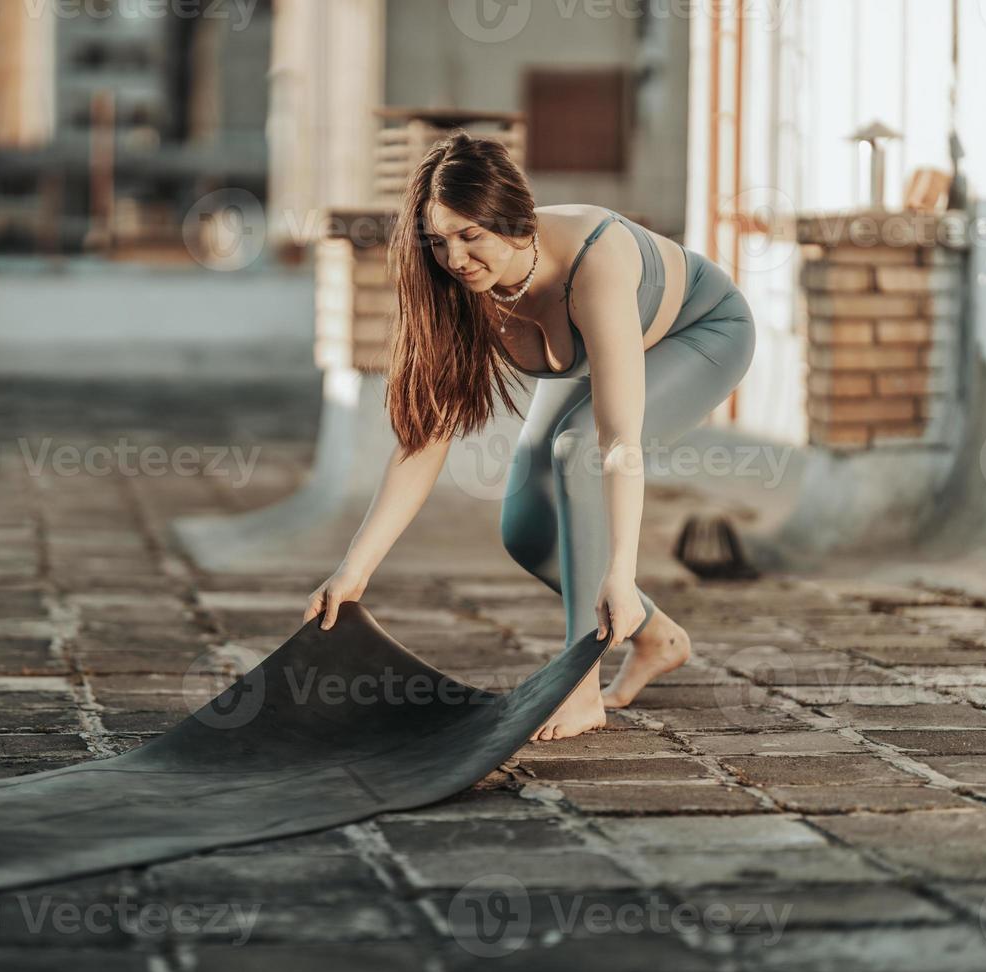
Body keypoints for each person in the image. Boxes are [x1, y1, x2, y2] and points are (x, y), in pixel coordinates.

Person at [302, 132, 756, 740]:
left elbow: (617, 442)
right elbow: (426, 438)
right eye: (438, 242)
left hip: (702, 332)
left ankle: (579, 684)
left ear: (514, 222)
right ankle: (656, 636)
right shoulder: (459, 290)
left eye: (471, 236)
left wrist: (621, 571)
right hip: (598, 351)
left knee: (577, 452)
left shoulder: (595, 263)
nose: (455, 259)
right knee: (528, 535)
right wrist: (354, 570)